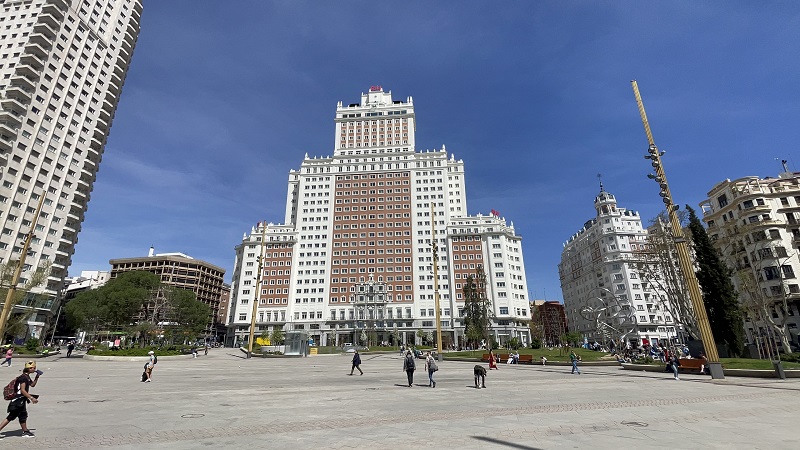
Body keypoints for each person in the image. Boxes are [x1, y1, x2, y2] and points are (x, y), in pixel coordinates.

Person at [0, 361, 41, 438]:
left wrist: (37, 377)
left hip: (21, 400)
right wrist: (31, 398)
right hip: (18, 400)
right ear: (28, 369)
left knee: (23, 415)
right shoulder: (23, 378)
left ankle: (25, 431)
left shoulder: (26, 377)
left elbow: (32, 385)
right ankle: (25, 431)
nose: (34, 369)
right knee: (11, 416)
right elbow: (22, 390)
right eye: (33, 368)